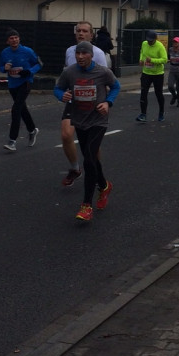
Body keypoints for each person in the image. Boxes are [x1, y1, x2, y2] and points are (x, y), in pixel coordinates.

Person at [54, 41, 120, 223]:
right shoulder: (70, 72)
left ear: (91, 55)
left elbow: (116, 86)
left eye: (84, 53)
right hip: (80, 120)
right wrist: (62, 96)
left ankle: (86, 205)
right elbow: (58, 88)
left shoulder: (102, 72)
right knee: (90, 159)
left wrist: (108, 102)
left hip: (98, 120)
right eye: (78, 53)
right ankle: (104, 186)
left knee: (89, 157)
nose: (80, 57)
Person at [61, 21, 107, 188]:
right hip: (74, 100)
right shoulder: (69, 51)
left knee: (92, 145)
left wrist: (104, 102)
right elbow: (66, 74)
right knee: (66, 135)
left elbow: (105, 79)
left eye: (85, 31)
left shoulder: (98, 53)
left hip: (92, 103)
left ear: (91, 35)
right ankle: (75, 169)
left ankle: (96, 173)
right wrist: (63, 92)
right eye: (78, 31)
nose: (81, 33)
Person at [0, 29, 41, 151]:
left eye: (16, 37)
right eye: (11, 38)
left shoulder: (27, 51)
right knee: (22, 109)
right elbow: (0, 67)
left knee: (16, 109)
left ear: (19, 38)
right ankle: (32, 130)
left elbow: (39, 64)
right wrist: (4, 68)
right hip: (13, 84)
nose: (14, 40)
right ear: (7, 41)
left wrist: (29, 71)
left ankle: (12, 141)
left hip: (25, 82)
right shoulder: (5, 53)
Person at [137, 29, 168, 122]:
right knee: (143, 93)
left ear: (155, 39)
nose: (149, 42)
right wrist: (141, 59)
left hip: (157, 74)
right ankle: (143, 114)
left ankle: (161, 112)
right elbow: (142, 52)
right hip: (146, 72)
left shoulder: (160, 46)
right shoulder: (144, 43)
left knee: (158, 93)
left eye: (151, 41)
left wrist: (152, 60)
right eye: (148, 40)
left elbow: (164, 59)